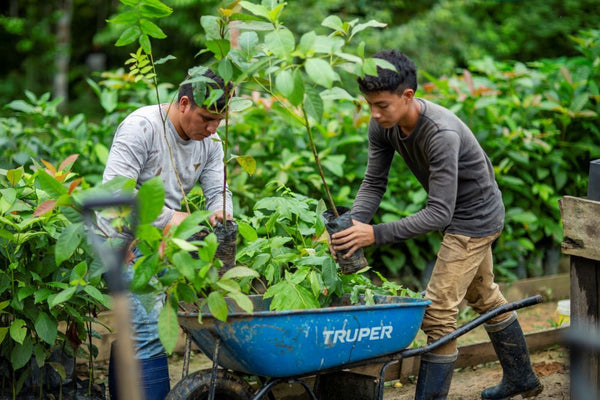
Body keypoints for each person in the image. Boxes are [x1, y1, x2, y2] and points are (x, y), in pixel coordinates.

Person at [329, 50, 543, 400]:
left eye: (381, 104)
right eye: (369, 104)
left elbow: (439, 214)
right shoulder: (384, 125)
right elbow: (373, 182)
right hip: (456, 214)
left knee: (439, 313)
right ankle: (521, 378)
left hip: (475, 218)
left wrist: (375, 234)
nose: (374, 113)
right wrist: (353, 226)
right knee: (484, 296)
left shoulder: (441, 133)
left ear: (408, 96)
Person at [99, 67, 233, 400]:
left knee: (141, 330)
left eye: (220, 119)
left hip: (166, 242)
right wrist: (171, 217)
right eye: (206, 118)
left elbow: (219, 190)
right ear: (184, 103)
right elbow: (115, 197)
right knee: (147, 329)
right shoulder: (141, 127)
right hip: (122, 235)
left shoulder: (210, 142)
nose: (213, 127)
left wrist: (222, 213)